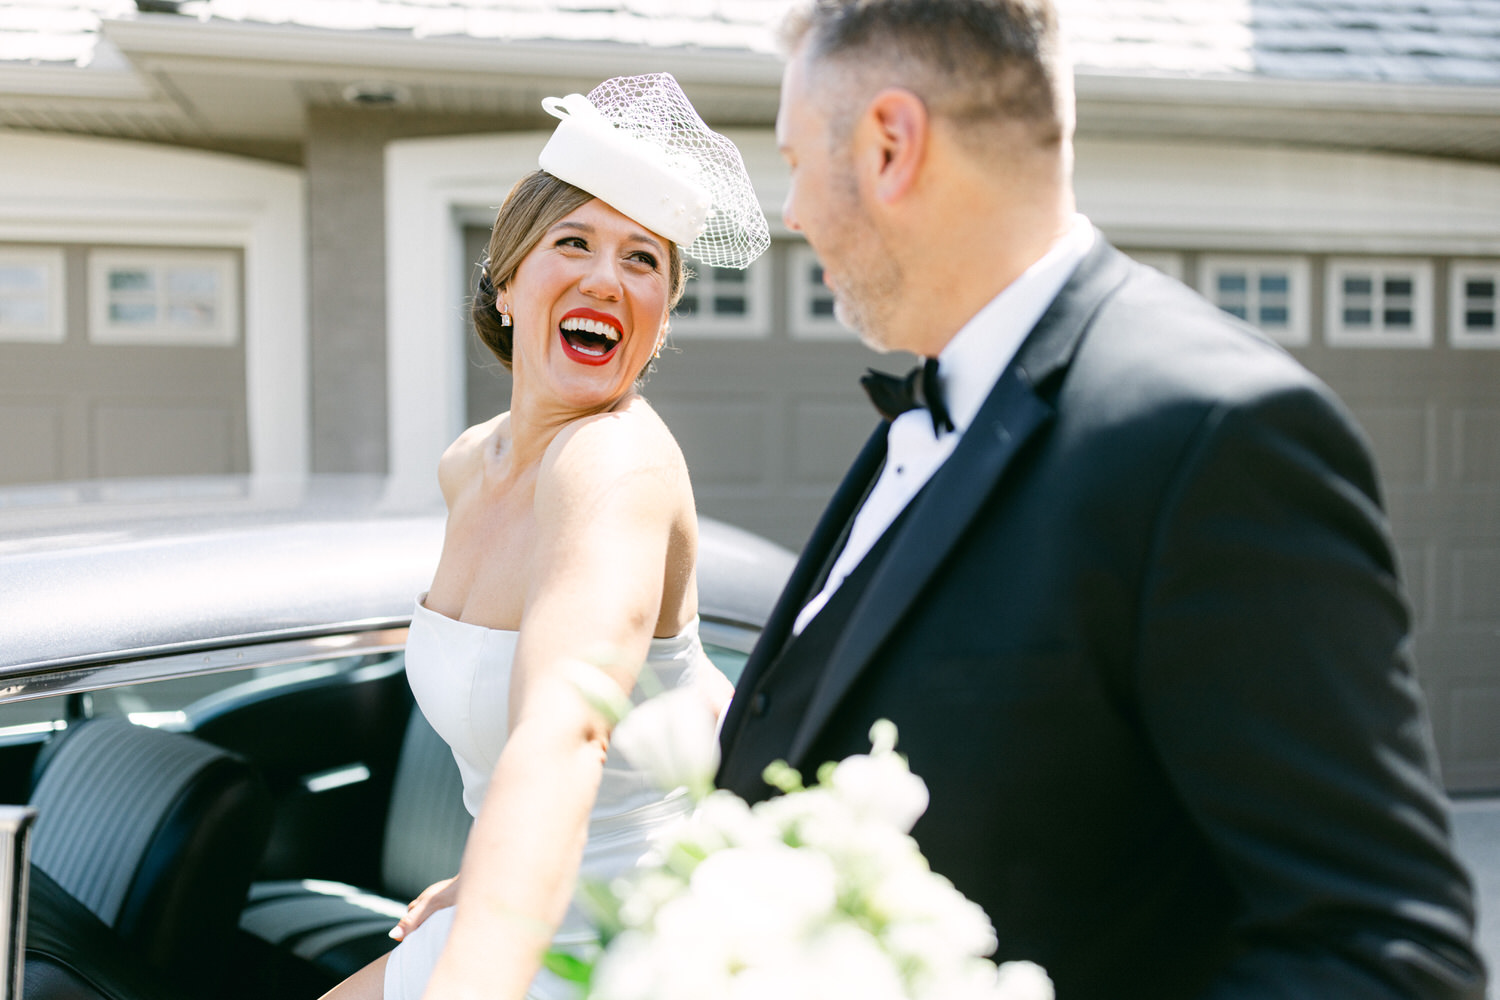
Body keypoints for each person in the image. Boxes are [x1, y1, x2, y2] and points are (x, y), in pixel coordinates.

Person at [714, 2, 1487, 999]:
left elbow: (1390, 954)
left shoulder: (1215, 437)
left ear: (890, 145)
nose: (793, 211)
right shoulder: (921, 418)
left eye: (792, 159)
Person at [321, 73, 768, 1000]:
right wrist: (493, 872)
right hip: (529, 889)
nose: (608, 276)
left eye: (643, 260)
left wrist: (484, 949)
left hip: (633, 936)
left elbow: (566, 735)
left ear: (655, 327)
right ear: (509, 285)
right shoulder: (466, 465)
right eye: (575, 242)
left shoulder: (614, 468)